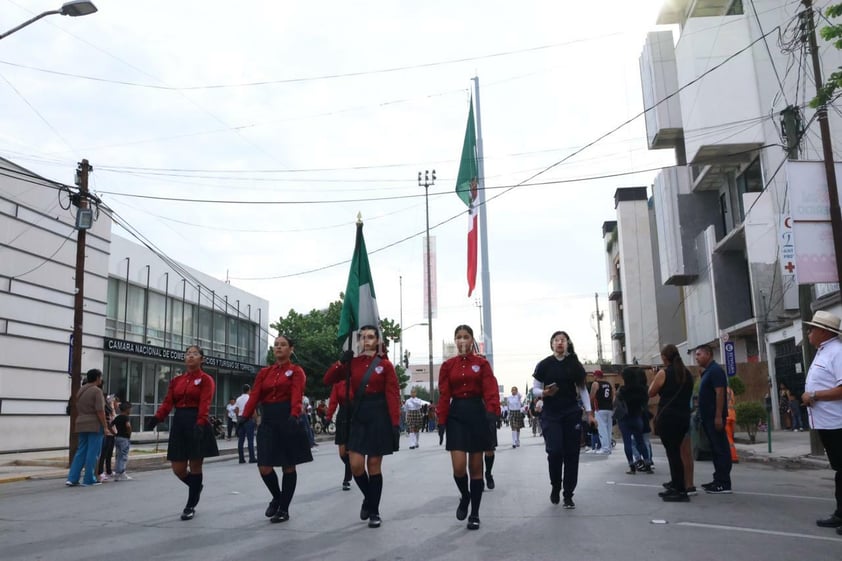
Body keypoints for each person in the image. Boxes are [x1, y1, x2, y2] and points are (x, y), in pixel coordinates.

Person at [324, 325, 401, 529]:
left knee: (373, 466)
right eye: (363, 337)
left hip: (379, 416)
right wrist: (341, 361)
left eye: (370, 337)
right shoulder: (352, 363)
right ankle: (369, 498)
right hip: (358, 416)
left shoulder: (385, 365)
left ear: (377, 341)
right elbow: (328, 379)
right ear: (358, 341)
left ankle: (374, 511)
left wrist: (395, 424)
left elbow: (393, 395)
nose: (366, 341)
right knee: (356, 465)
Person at [240, 335, 312, 524]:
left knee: (288, 465)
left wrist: (295, 414)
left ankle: (284, 509)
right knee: (264, 466)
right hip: (269, 420)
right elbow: (255, 395)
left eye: (283, 345)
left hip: (288, 418)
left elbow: (297, 394)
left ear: (291, 349)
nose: (279, 348)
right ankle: (277, 497)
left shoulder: (296, 371)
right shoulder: (265, 373)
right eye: (276, 345)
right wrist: (244, 416)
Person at [437, 325, 500, 530]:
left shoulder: (482, 364)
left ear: (472, 340)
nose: (462, 340)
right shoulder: (448, 366)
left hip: (477, 414)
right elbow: (444, 395)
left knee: (475, 467)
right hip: (457, 415)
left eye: (466, 337)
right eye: (458, 337)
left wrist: (492, 412)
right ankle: (465, 496)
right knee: (458, 467)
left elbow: (490, 389)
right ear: (455, 341)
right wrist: (441, 420)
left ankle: (474, 513)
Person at [145, 345, 219, 520]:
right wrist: (157, 418)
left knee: (195, 466)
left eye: (195, 354)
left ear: (202, 359)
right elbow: (168, 402)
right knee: (178, 468)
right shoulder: (176, 381)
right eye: (188, 354)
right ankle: (196, 486)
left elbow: (205, 402)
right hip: (179, 422)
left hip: (196, 421)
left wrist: (201, 423)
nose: (190, 357)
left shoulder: (206, 379)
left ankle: (190, 505)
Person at [532, 330, 593, 508]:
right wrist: (544, 392)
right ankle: (555, 485)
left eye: (563, 340)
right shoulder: (544, 365)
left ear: (567, 344)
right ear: (552, 344)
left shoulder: (574, 364)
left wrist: (589, 413)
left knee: (572, 454)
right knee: (555, 451)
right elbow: (535, 389)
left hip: (571, 413)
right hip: (551, 413)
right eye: (557, 340)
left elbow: (582, 390)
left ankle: (568, 494)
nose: (560, 343)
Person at [799, 311, 842, 532]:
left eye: (812, 329)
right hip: (827, 423)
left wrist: (814, 395)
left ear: (824, 332)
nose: (809, 333)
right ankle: (840, 513)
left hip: (838, 423)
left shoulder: (837, 352)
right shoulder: (823, 351)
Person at [649, 344, 694, 502]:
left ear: (664, 358)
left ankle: (680, 490)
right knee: (676, 453)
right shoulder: (687, 374)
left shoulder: (664, 373)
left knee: (673, 454)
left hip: (668, 418)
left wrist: (655, 377)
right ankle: (676, 485)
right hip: (683, 417)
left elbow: (651, 392)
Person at [694, 344, 733, 494]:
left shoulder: (716, 371)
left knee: (720, 449)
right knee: (715, 450)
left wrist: (718, 416)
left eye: (699, 354)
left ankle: (724, 483)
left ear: (708, 354)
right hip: (707, 417)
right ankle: (718, 479)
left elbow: (720, 394)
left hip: (714, 417)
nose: (696, 357)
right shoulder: (708, 372)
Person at [66, 369, 114, 487]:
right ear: (97, 378)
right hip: (94, 424)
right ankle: (89, 478)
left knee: (81, 451)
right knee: (93, 452)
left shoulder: (80, 391)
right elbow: (100, 411)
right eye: (100, 377)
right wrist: (105, 426)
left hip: (81, 422)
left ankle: (72, 478)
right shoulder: (96, 391)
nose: (101, 379)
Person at [616, 367, 652, 474]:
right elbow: (645, 401)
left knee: (627, 443)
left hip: (625, 419)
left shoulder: (622, 390)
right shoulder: (641, 389)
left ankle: (632, 466)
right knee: (640, 441)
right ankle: (648, 463)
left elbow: (616, 403)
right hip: (637, 417)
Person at [327, 378, 352, 490]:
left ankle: (346, 479)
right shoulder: (338, 384)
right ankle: (352, 467)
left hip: (355, 416)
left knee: (350, 451)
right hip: (342, 416)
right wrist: (329, 416)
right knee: (342, 453)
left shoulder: (357, 381)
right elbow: (333, 401)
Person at [589, 370, 613, 455]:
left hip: (600, 409)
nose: (593, 377)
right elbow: (612, 396)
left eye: (594, 375)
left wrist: (591, 409)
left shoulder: (595, 384)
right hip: (609, 408)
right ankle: (609, 447)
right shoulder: (608, 384)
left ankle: (605, 448)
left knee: (602, 429)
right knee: (609, 429)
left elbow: (592, 397)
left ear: (596, 376)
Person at [97, 392, 117, 482]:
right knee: (104, 454)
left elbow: (113, 416)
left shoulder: (110, 409)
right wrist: (113, 431)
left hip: (111, 433)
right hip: (108, 433)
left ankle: (108, 470)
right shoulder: (106, 409)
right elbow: (110, 421)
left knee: (109, 454)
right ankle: (100, 471)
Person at [112, 401, 133, 481]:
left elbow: (110, 425)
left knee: (118, 456)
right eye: (130, 409)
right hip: (124, 438)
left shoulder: (117, 417)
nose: (131, 411)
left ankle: (117, 473)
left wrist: (114, 433)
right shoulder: (126, 418)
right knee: (123, 456)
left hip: (117, 437)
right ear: (127, 409)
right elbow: (128, 426)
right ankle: (121, 472)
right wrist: (129, 433)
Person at [235, 385, 256, 464]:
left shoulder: (238, 399)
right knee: (250, 439)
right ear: (249, 390)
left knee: (241, 440)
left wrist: (238, 418)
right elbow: (253, 409)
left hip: (241, 419)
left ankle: (241, 458)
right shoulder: (250, 398)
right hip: (248, 419)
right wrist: (255, 419)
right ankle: (252, 458)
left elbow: (236, 410)